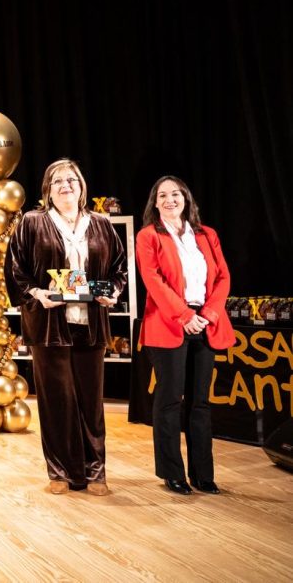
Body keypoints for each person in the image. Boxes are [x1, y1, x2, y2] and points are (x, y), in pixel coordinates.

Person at [4, 158, 127, 496]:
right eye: (57, 181)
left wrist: (113, 292)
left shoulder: (100, 224)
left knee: (91, 401)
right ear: (48, 190)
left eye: (71, 180)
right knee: (56, 400)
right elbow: (15, 269)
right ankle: (60, 471)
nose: (65, 186)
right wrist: (37, 294)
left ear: (81, 186)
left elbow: (119, 268)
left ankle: (95, 471)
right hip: (49, 324)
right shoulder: (32, 222)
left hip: (91, 324)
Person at [137, 176, 232, 495]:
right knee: (169, 400)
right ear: (155, 203)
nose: (170, 200)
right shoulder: (148, 236)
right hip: (168, 323)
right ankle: (172, 473)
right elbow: (153, 280)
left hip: (206, 322)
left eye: (175, 194)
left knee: (200, 402)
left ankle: (203, 474)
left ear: (186, 198)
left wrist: (209, 314)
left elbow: (223, 278)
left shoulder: (207, 235)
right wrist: (184, 315)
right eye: (162, 195)